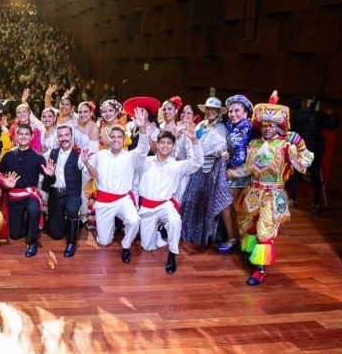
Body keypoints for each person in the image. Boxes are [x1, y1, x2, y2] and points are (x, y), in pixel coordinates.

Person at [228, 92, 314, 286]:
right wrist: (228, 173)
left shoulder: (285, 146)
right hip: (253, 192)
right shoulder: (254, 144)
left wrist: (300, 145)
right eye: (264, 125)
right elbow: (247, 169)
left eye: (271, 125)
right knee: (249, 225)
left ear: (278, 126)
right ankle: (251, 253)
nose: (267, 128)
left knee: (264, 230)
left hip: (274, 195)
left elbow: (304, 163)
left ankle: (260, 269)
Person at [83, 107, 150, 263]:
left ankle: (126, 245)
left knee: (134, 221)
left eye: (119, 137)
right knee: (104, 242)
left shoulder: (131, 156)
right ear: (108, 139)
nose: (115, 140)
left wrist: (142, 128)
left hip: (123, 200)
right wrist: (86, 163)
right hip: (104, 202)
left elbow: (143, 149)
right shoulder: (100, 155)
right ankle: (108, 228)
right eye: (112, 137)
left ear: (124, 139)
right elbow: (94, 175)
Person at [136, 125, 202, 274]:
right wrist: (143, 130)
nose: (165, 146)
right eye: (162, 142)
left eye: (169, 143)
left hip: (166, 205)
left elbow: (197, 163)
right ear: (157, 144)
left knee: (175, 221)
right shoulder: (145, 162)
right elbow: (140, 152)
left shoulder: (177, 165)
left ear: (173, 146)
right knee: (147, 246)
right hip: (147, 206)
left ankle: (172, 255)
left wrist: (194, 140)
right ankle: (158, 235)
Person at [180, 97, 232, 247]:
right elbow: (192, 142)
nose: (210, 112)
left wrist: (221, 152)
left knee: (207, 201)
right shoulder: (200, 125)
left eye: (213, 110)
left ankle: (206, 235)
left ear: (218, 112)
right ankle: (189, 232)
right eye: (208, 109)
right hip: (197, 166)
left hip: (211, 169)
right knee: (191, 199)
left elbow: (220, 146)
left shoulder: (220, 128)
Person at [0, 125, 54, 257]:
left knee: (34, 209)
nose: (23, 137)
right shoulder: (8, 156)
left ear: (31, 136)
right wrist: (4, 180)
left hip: (30, 195)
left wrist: (50, 175)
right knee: (15, 235)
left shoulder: (38, 158)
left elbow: (49, 181)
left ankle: (32, 241)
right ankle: (30, 225)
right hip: (14, 196)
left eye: (26, 134)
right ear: (16, 136)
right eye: (20, 134)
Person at [286, 96, 340, 211]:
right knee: (315, 176)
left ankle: (292, 199)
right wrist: (331, 114)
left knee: (296, 175)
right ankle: (316, 203)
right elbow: (333, 124)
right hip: (314, 150)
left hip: (299, 149)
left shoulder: (294, 117)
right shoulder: (317, 115)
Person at [42, 125, 85, 257]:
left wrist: (87, 163)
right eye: (60, 136)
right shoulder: (51, 153)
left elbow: (90, 174)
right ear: (57, 138)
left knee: (72, 209)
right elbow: (41, 168)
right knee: (56, 235)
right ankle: (67, 222)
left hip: (72, 193)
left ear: (72, 137)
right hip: (56, 194)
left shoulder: (79, 156)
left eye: (66, 135)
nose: (63, 138)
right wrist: (48, 175)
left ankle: (71, 243)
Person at [223, 94, 254, 253]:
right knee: (230, 207)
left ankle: (234, 239)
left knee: (228, 206)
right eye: (230, 111)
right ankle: (235, 237)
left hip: (241, 175)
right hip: (232, 172)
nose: (233, 114)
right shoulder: (232, 126)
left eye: (237, 111)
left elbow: (245, 156)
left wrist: (231, 170)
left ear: (246, 112)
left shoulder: (248, 128)